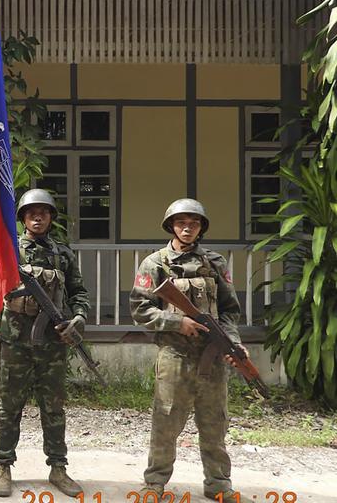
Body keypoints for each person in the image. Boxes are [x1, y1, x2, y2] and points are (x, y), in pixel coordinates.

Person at [130, 198, 245, 503]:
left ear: (201, 228)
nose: (187, 228)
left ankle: (219, 484)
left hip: (212, 356)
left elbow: (230, 311)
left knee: (214, 422)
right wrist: (175, 322)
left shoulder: (216, 263)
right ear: (171, 226)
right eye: (181, 222)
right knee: (166, 422)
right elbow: (140, 310)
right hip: (175, 356)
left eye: (193, 223)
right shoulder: (154, 263)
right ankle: (154, 484)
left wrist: (232, 341)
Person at [0, 188, 89, 498]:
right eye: (31, 212)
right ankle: (3, 465)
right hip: (15, 342)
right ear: (21, 218)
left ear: (50, 218)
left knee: (54, 408)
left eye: (43, 212)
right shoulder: (9, 250)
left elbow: (78, 293)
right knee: (9, 407)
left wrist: (79, 319)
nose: (37, 216)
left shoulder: (63, 253)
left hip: (53, 344)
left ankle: (58, 467)